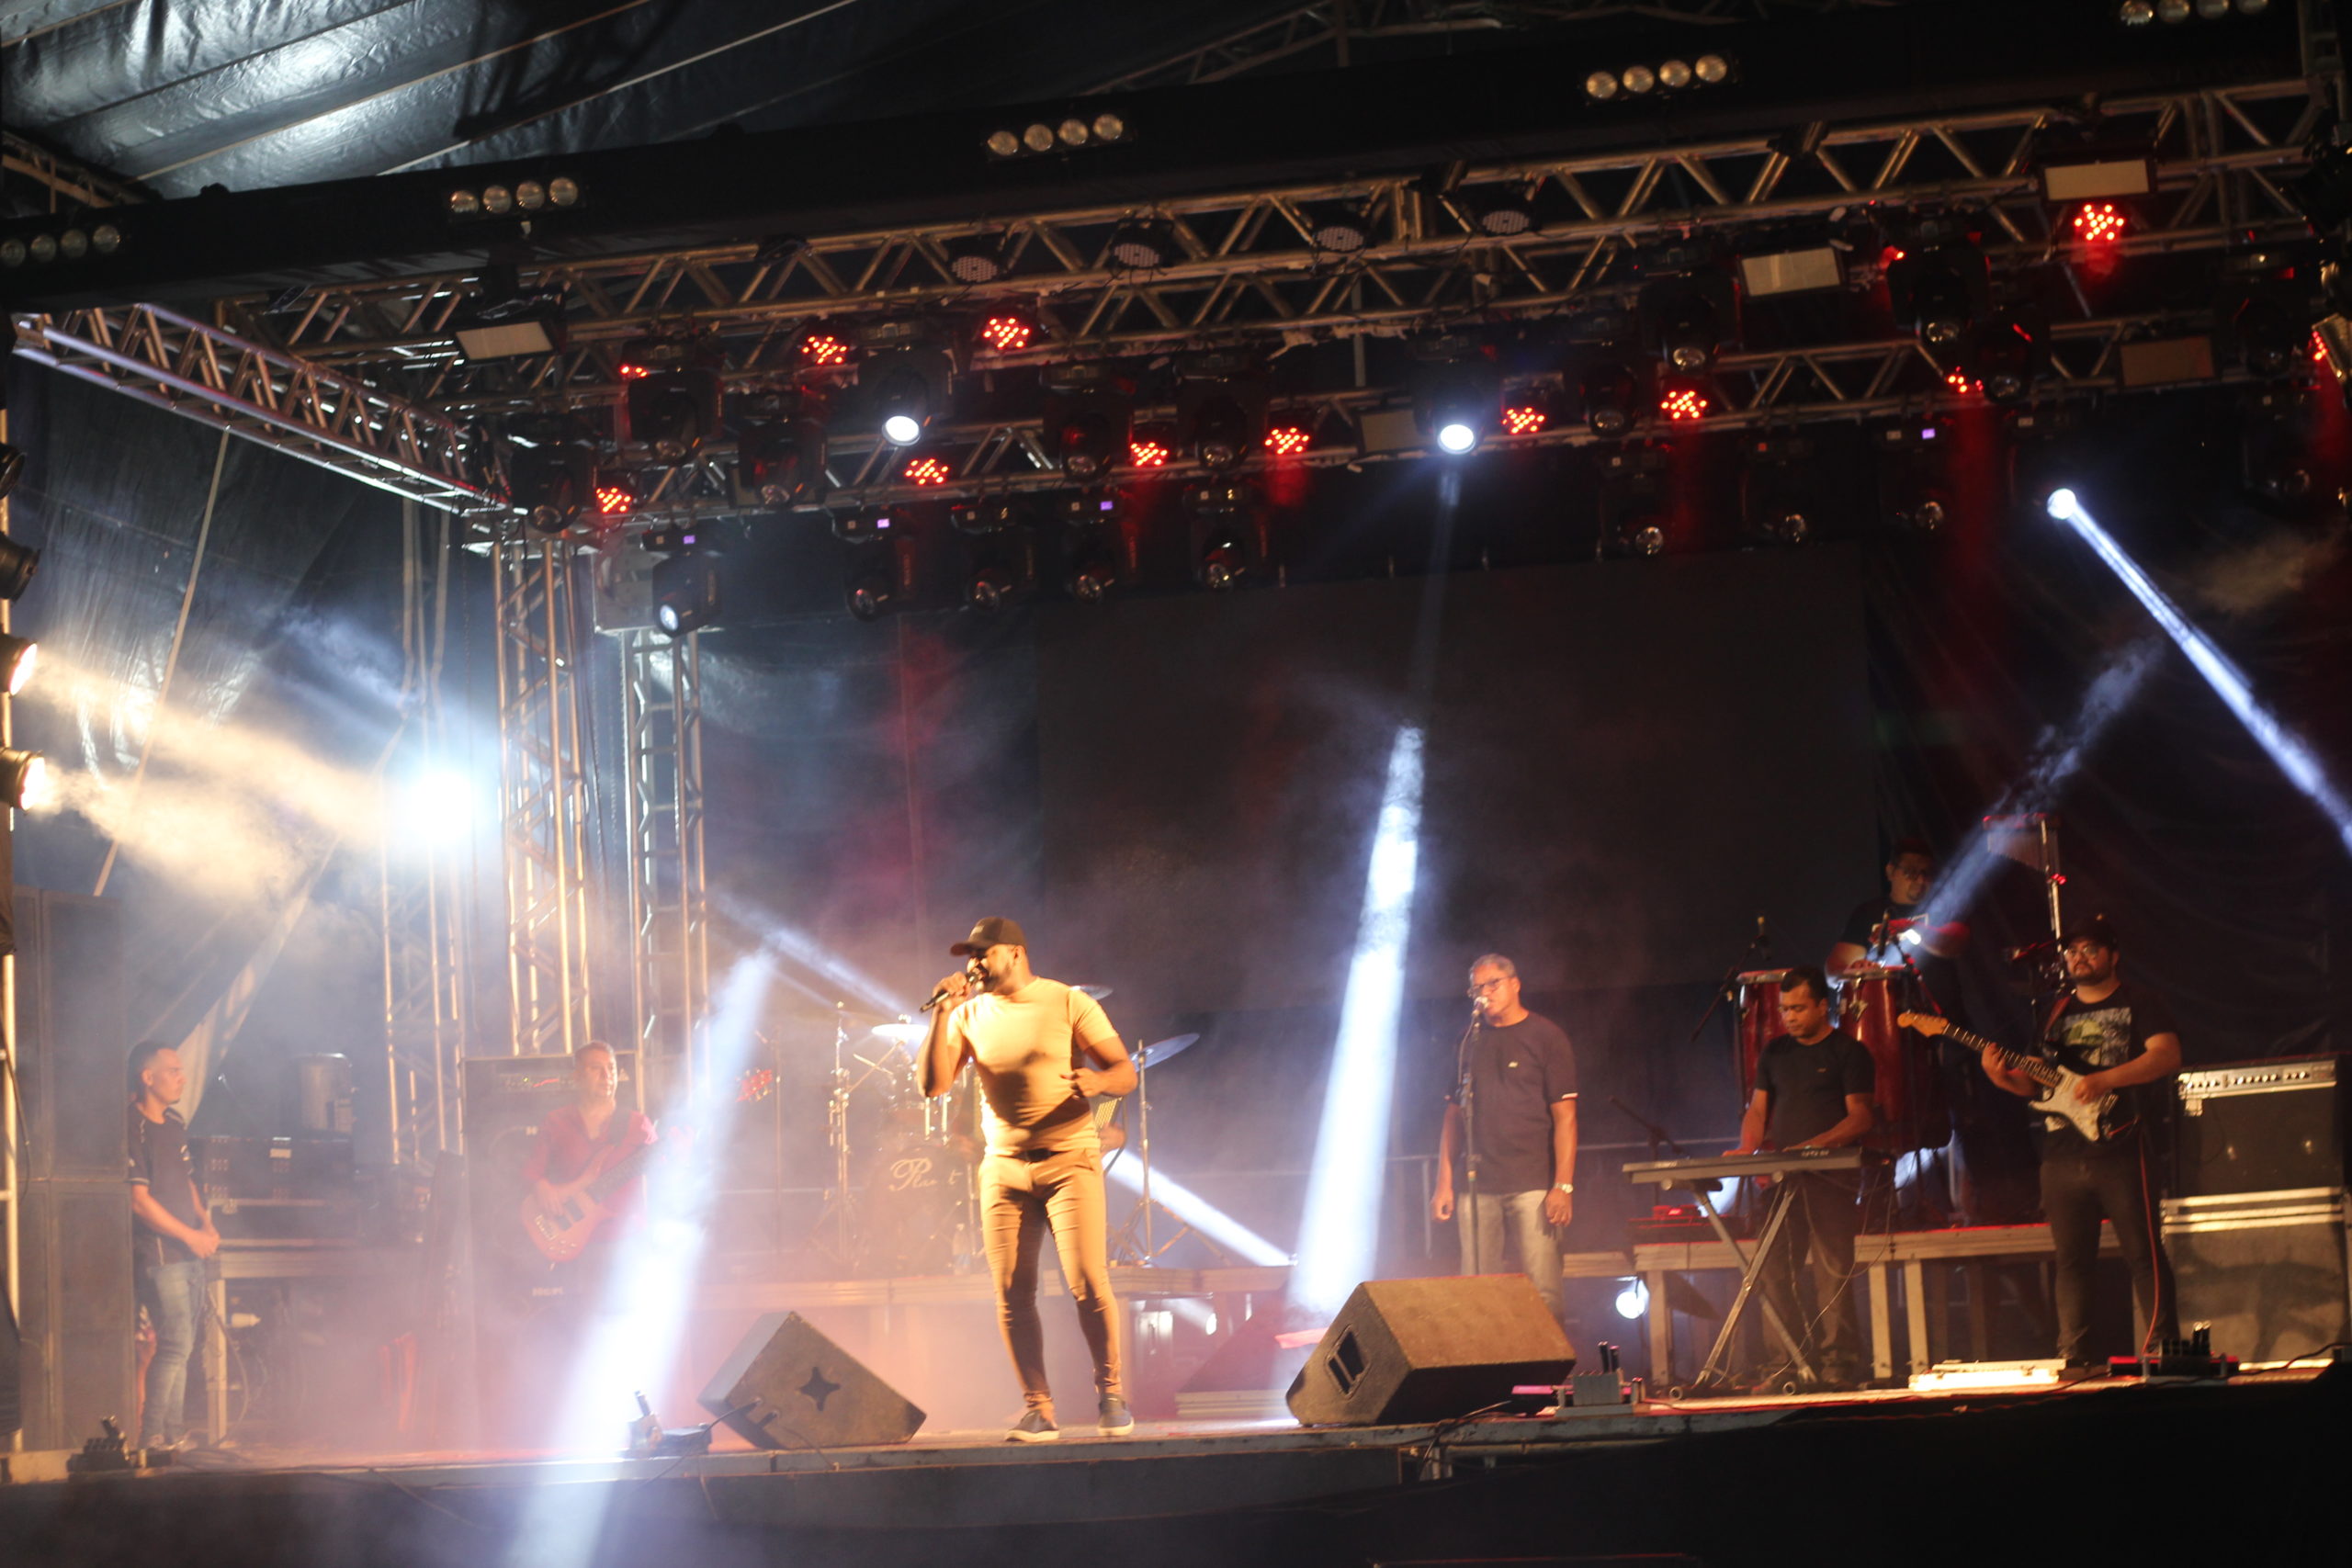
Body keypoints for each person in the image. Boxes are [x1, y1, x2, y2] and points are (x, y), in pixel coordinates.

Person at [921, 916, 1136, 1443]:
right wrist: (942, 1013)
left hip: (1069, 1159)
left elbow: (1125, 1073)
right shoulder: (966, 1013)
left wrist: (1099, 1080)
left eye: (982, 954)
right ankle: (1039, 1410)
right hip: (1004, 1168)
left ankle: (1111, 1396)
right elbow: (933, 1086)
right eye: (967, 957)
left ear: (1014, 953)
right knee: (1012, 1293)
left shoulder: (1067, 1002)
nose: (972, 965)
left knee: (1087, 1282)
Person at [1978, 916, 2179, 1374]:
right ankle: (2075, 1356)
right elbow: (2037, 1087)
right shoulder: (2054, 1012)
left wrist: (2106, 1078)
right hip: (2062, 1154)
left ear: (2113, 955)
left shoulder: (2139, 1001)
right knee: (2071, 1261)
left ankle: (2164, 1351)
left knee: (2143, 1254)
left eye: (2090, 949)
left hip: (2121, 1144)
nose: (2079, 958)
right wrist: (2000, 1077)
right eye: (2072, 951)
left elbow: (2166, 1055)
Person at [1732, 966, 1875, 1389]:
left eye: (1797, 1008)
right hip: (1781, 1179)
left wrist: (1816, 1146)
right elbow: (1758, 1111)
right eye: (1783, 1009)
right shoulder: (1774, 1053)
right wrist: (1747, 1151)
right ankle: (1786, 1364)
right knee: (1773, 1270)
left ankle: (1838, 1364)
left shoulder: (1849, 1052)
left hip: (1830, 1179)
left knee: (1832, 1270)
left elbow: (1860, 1117)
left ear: (1822, 1006)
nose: (1789, 1017)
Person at [1429, 953, 1578, 1322]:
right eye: (1477, 988)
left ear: (1515, 984)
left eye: (1492, 984)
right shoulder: (1468, 1042)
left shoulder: (1546, 1036)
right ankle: (1486, 1375)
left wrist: (1563, 1185)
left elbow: (1566, 1117)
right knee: (1477, 1289)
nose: (1484, 993)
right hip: (1478, 1187)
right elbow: (1453, 1118)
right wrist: (1444, 1183)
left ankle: (1548, 1377)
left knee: (1543, 1289)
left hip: (1532, 1184)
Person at [128, 1041, 219, 1452]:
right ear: (149, 1078)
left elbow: (187, 1182)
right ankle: (151, 1437)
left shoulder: (175, 1123)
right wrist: (191, 1236)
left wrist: (206, 1223)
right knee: (174, 1344)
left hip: (188, 1251)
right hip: (161, 1255)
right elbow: (139, 1201)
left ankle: (173, 1432)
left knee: (183, 1346)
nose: (182, 1077)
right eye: (174, 1070)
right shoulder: (132, 1125)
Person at [517, 1041, 658, 1265]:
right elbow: (532, 1172)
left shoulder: (638, 1124)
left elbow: (664, 1174)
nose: (606, 1075)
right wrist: (541, 1187)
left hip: (626, 1243)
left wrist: (680, 1156)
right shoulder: (556, 1121)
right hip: (573, 1241)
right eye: (596, 1068)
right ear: (577, 1077)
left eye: (611, 1069)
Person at [1826, 836, 1970, 1001]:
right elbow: (1832, 972)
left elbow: (1956, 943)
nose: (1921, 880)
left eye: (1926, 873)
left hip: (1940, 1017)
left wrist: (1910, 926)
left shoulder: (1944, 905)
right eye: (1911, 872)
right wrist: (1853, 970)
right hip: (1886, 1017)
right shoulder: (1867, 913)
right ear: (1891, 872)